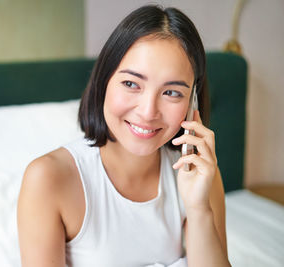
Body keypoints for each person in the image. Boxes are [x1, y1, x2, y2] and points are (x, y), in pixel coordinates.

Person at [17, 4, 231, 267]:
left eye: (172, 92)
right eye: (131, 84)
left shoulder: (198, 175)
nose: (148, 111)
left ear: (192, 102)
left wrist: (199, 210)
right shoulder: (48, 178)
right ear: (104, 80)